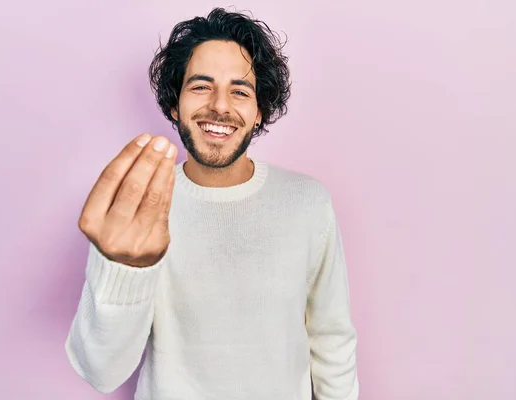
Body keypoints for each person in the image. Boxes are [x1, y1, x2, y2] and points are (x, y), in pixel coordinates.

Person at [65, 7, 359, 400]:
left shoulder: (307, 202)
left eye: (240, 91)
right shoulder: (135, 212)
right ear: (174, 104)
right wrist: (125, 268)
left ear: (259, 113)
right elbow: (101, 372)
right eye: (201, 86)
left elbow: (332, 341)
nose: (220, 106)